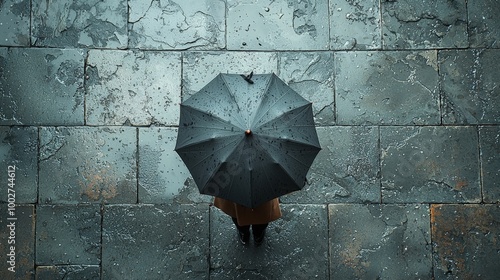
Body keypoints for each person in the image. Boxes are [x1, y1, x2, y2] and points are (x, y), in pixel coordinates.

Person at [213, 197, 282, 246]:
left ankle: (244, 235)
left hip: (237, 197)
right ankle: (258, 236)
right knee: (262, 216)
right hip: (263, 197)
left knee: (238, 215)